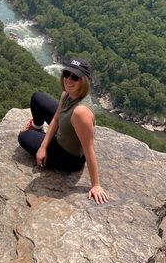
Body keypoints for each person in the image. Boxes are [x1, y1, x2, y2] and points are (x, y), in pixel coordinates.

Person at [18, 57, 109, 204]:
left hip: (68, 156)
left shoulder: (81, 112)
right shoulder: (67, 94)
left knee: (23, 137)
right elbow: (56, 118)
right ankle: (37, 128)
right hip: (63, 133)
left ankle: (36, 134)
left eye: (75, 77)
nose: (69, 80)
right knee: (37, 97)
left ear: (84, 81)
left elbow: (89, 149)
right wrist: (42, 147)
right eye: (67, 74)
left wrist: (96, 185)